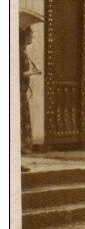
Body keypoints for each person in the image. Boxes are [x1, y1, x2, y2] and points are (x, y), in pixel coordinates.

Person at [19, 26, 40, 165]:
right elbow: (15, 73)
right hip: (18, 93)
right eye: (31, 34)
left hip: (23, 92)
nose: (32, 36)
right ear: (25, 35)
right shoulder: (19, 52)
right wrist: (33, 72)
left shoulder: (23, 51)